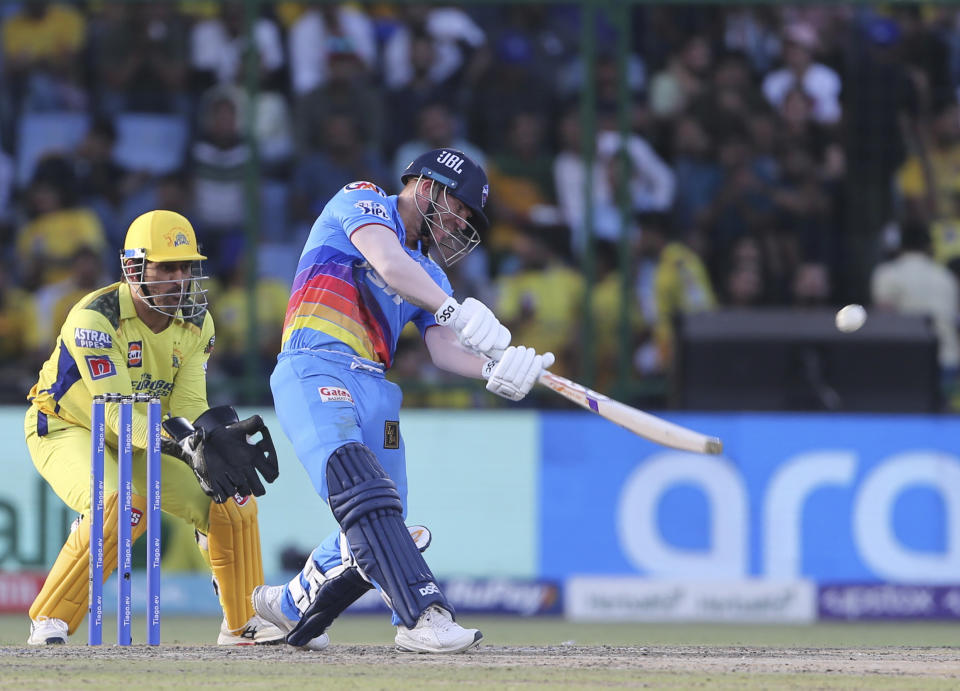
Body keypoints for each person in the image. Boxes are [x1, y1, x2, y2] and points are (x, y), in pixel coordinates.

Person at [252, 149, 553, 653]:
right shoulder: (363, 199)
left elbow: (442, 347)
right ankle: (421, 616)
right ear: (428, 186)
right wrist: (454, 308)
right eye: (459, 207)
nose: (460, 224)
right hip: (315, 364)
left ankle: (285, 605)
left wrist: (493, 369)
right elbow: (388, 264)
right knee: (360, 489)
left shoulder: (432, 276)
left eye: (469, 219)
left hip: (376, 387)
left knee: (384, 519)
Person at [24, 210, 282, 645]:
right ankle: (50, 619)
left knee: (231, 501)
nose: (179, 279)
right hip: (68, 427)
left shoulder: (199, 322)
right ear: (133, 268)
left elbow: (187, 403)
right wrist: (183, 443)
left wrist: (207, 439)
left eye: (187, 267)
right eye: (166, 267)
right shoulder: (95, 318)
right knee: (120, 506)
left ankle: (243, 621)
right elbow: (115, 415)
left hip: (147, 436)